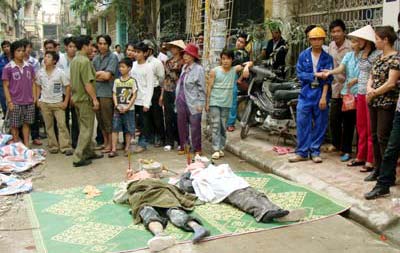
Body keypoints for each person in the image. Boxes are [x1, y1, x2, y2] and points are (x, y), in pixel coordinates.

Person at [118, 170, 209, 252]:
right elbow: (121, 197)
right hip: (143, 194)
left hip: (159, 190)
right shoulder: (131, 182)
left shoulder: (149, 175)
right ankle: (161, 234)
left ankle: (195, 228)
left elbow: (120, 198)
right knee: (149, 210)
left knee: (170, 209)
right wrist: (127, 180)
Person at [288, 27, 333, 163]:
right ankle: (302, 152)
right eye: (314, 39)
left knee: (320, 123)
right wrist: (314, 74)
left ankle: (315, 151)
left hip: (320, 92)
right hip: (306, 92)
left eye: (319, 39)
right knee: (302, 122)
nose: (316, 41)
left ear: (323, 40)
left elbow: (328, 79)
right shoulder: (303, 56)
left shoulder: (327, 58)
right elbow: (300, 74)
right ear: (309, 40)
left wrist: (324, 97)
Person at [363, 26, 400, 183]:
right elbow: (371, 76)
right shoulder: (378, 57)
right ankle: (378, 169)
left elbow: (391, 83)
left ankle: (387, 173)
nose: (376, 41)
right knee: (374, 136)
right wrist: (369, 88)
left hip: (387, 102)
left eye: (377, 39)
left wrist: (374, 92)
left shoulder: (396, 59)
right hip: (374, 101)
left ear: (385, 40)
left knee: (383, 137)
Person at [345, 25, 380, 172]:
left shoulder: (376, 55)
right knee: (361, 127)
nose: (357, 42)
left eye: (360, 40)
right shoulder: (360, 54)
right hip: (360, 92)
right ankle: (361, 156)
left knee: (371, 127)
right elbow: (362, 73)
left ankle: (370, 160)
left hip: (370, 93)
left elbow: (372, 73)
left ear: (367, 41)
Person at [206, 49, 251, 160]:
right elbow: (209, 87)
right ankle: (216, 149)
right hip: (215, 101)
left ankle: (221, 147)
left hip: (226, 103)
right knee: (216, 125)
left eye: (228, 59)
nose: (225, 61)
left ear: (232, 60)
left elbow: (250, 62)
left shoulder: (234, 70)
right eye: (223, 59)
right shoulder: (214, 71)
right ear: (221, 59)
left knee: (223, 125)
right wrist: (207, 103)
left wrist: (246, 67)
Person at [323, 37, 361, 162]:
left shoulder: (367, 57)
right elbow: (341, 68)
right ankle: (346, 150)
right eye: (354, 41)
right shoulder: (349, 56)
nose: (353, 44)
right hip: (348, 93)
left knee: (361, 125)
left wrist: (356, 80)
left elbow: (368, 73)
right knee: (348, 123)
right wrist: (330, 72)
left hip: (361, 93)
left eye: (355, 42)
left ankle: (361, 152)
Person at [70, 35, 103, 167]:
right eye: (90, 45)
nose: (92, 47)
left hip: (77, 98)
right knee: (86, 128)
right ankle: (78, 157)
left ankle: (89, 151)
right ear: (84, 46)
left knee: (84, 126)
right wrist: (94, 99)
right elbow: (87, 83)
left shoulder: (75, 60)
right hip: (84, 99)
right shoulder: (84, 61)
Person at [36, 51, 73, 156]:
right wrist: (37, 99)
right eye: (45, 56)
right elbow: (38, 86)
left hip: (58, 103)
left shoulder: (60, 72)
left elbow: (67, 86)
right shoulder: (40, 72)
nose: (45, 59)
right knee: (48, 126)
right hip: (44, 103)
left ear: (54, 61)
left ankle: (65, 146)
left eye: (48, 57)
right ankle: (53, 146)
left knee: (62, 125)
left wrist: (66, 101)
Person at [2, 40, 36, 146]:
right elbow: (5, 86)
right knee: (15, 125)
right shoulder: (8, 68)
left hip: (29, 101)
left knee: (27, 124)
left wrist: (34, 97)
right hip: (15, 102)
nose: (22, 53)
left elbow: (33, 82)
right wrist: (9, 102)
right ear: (13, 52)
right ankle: (16, 146)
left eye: (23, 50)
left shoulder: (29, 66)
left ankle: (26, 144)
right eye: (18, 51)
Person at [176, 43, 205, 155]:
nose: (185, 56)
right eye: (184, 54)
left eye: (188, 54)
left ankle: (197, 148)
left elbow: (202, 88)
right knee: (181, 125)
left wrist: (201, 103)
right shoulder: (184, 67)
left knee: (195, 126)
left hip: (193, 101)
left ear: (193, 56)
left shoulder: (199, 69)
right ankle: (184, 146)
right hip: (181, 100)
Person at [327, 19, 352, 153]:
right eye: (333, 32)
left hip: (349, 89)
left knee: (347, 120)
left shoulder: (351, 46)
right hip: (335, 87)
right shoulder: (331, 46)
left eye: (338, 31)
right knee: (334, 119)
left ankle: (346, 148)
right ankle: (336, 144)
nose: (335, 34)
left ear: (344, 32)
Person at [92, 35, 119, 154]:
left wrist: (98, 75)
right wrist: (100, 75)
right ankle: (105, 142)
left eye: (104, 43)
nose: (102, 46)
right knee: (100, 120)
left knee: (108, 119)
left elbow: (108, 76)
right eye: (100, 43)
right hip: (96, 92)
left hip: (107, 93)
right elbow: (91, 76)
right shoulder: (96, 58)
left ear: (108, 45)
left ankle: (111, 144)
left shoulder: (113, 57)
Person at [109, 58, 138, 158]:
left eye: (123, 67)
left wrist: (128, 106)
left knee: (129, 129)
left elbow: (134, 95)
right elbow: (114, 93)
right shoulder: (117, 81)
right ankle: (113, 149)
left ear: (129, 68)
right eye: (120, 67)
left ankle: (127, 148)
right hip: (118, 109)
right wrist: (117, 105)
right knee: (115, 128)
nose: (121, 69)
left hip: (129, 109)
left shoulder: (132, 81)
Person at [159, 40, 185, 150]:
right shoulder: (168, 61)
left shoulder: (183, 62)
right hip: (167, 89)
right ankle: (169, 141)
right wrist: (162, 94)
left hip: (178, 90)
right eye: (172, 47)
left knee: (177, 117)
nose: (172, 49)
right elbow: (165, 79)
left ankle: (179, 140)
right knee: (168, 116)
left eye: (175, 47)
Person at [130, 42, 154, 153]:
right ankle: (134, 139)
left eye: (138, 52)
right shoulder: (133, 65)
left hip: (143, 99)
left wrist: (147, 103)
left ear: (145, 53)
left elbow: (150, 86)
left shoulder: (148, 67)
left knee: (144, 123)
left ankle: (143, 143)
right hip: (133, 99)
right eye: (135, 51)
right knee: (136, 122)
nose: (136, 54)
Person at [57, 36, 79, 149]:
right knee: (63, 119)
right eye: (70, 46)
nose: (73, 49)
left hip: (76, 92)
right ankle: (65, 143)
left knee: (76, 118)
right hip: (62, 92)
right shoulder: (60, 58)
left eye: (75, 46)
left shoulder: (79, 59)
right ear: (66, 47)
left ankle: (75, 141)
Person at [143, 39, 166, 147]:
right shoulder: (141, 62)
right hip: (145, 91)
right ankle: (150, 137)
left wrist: (161, 95)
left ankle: (161, 137)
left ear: (150, 51)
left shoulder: (156, 63)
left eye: (145, 50)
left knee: (157, 116)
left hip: (155, 90)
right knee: (147, 116)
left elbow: (162, 80)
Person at [227, 33, 251, 132]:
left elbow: (243, 66)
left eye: (242, 42)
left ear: (245, 44)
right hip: (225, 74)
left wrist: (239, 79)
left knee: (232, 100)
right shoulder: (231, 50)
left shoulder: (245, 54)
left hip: (235, 76)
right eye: (238, 41)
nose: (239, 43)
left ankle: (230, 123)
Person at [21, 39, 42, 146]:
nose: (27, 50)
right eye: (24, 48)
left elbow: (37, 80)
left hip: (32, 92)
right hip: (20, 94)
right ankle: (22, 139)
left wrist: (36, 96)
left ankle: (35, 137)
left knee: (34, 116)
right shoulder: (15, 62)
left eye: (29, 47)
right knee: (20, 117)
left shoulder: (34, 62)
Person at [0, 40, 11, 118]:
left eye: (8, 46)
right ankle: (6, 119)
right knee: (4, 103)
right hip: (3, 84)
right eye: (4, 47)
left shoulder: (16, 56)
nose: (6, 48)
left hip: (15, 84)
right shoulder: (1, 59)